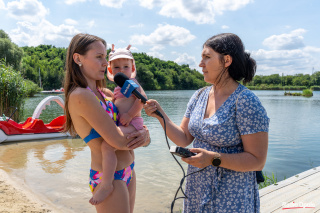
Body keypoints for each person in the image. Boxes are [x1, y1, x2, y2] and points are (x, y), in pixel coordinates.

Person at [144, 33, 269, 212]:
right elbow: (184, 138)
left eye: (207, 57)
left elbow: (257, 161)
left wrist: (212, 159)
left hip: (231, 196)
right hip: (197, 188)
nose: (200, 64)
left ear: (226, 60)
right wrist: (160, 115)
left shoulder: (246, 101)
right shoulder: (199, 95)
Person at [63, 33, 150, 213]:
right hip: (109, 179)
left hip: (128, 170)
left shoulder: (103, 93)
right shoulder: (81, 95)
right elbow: (117, 141)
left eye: (105, 57)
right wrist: (143, 137)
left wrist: (145, 135)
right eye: (98, 57)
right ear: (78, 59)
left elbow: (133, 127)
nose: (105, 63)